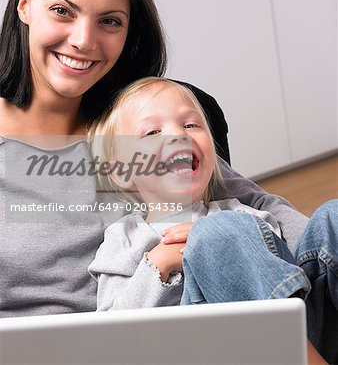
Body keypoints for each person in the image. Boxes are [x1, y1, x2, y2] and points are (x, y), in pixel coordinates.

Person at [0, 0, 330, 360]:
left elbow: (258, 209)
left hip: (197, 332)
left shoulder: (136, 123)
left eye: (110, 22)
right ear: (25, 5)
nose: (83, 40)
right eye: (62, 11)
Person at [88, 76, 337, 363]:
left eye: (190, 125)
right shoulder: (125, 238)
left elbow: (300, 269)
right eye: (152, 132)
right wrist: (159, 264)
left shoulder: (242, 213)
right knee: (216, 234)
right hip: (213, 349)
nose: (178, 135)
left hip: (307, 331)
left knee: (332, 215)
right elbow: (110, 336)